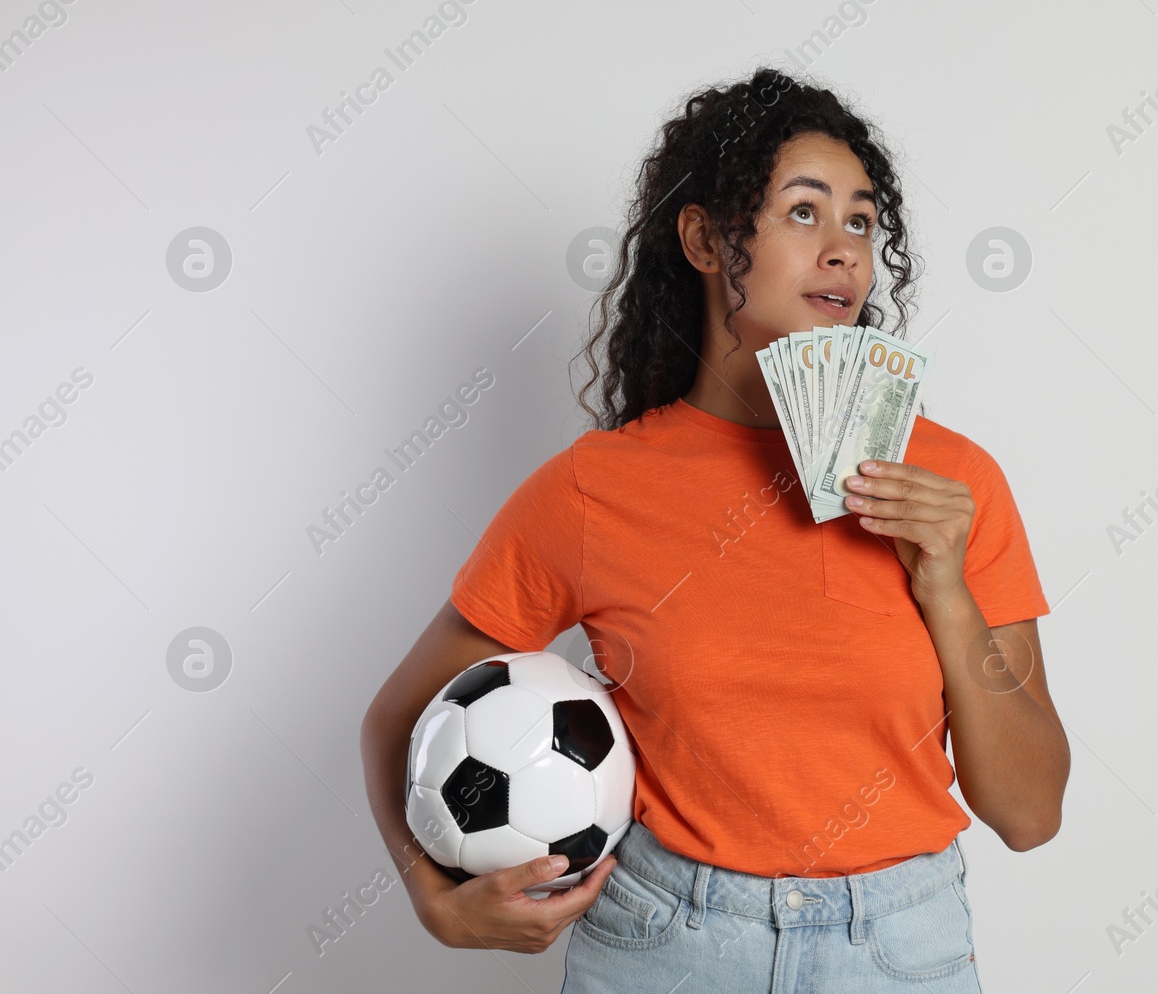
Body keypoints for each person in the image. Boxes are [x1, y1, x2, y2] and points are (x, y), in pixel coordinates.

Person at [359, 67, 1070, 992]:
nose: (844, 251)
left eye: (860, 220)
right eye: (803, 213)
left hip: (899, 953)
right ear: (703, 238)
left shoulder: (950, 483)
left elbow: (1029, 811)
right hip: (664, 948)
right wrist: (432, 895)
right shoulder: (592, 491)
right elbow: (398, 715)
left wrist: (945, 586)